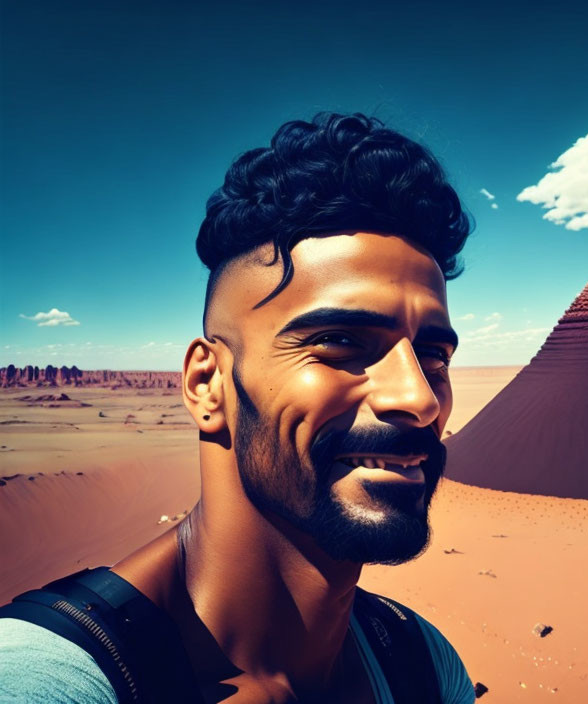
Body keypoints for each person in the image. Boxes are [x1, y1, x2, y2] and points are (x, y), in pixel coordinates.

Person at [0, 112, 476, 703]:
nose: (420, 399)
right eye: (342, 342)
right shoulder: (43, 681)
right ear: (208, 384)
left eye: (433, 354)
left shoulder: (422, 665)